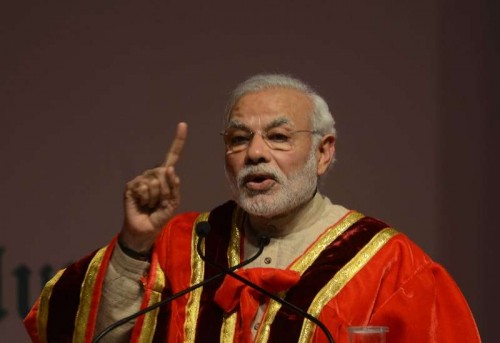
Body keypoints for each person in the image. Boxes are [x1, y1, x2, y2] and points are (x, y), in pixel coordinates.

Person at [24, 74, 480, 343]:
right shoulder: (182, 244)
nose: (255, 153)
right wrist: (135, 243)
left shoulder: (392, 268)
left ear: (324, 152)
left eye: (279, 137)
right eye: (239, 139)